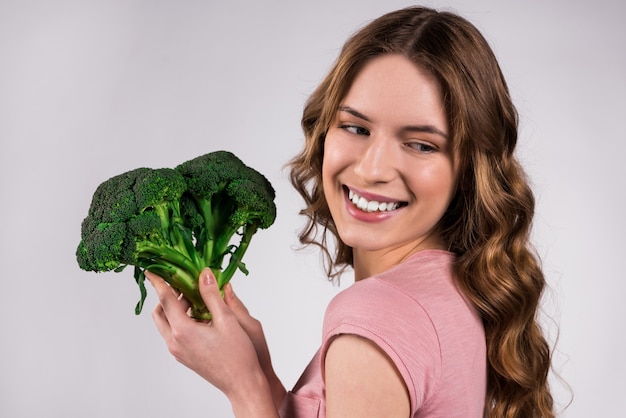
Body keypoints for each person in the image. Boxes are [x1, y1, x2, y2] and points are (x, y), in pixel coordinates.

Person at [146, 6, 555, 417]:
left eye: (421, 144)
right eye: (356, 128)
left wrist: (244, 386)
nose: (372, 169)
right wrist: (262, 374)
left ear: (468, 169)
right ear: (324, 130)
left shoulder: (377, 315)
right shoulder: (459, 288)